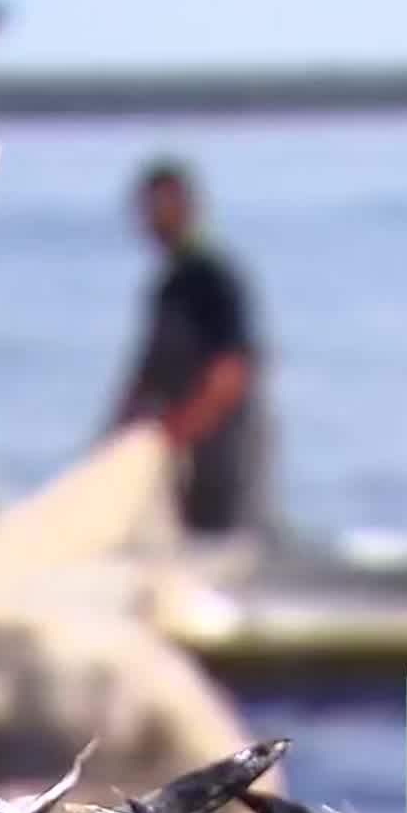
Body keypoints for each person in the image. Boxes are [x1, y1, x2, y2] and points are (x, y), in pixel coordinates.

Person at [109, 159, 273, 538]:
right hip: (181, 452)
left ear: (187, 208)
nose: (150, 219)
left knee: (217, 540)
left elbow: (230, 372)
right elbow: (146, 378)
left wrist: (173, 433)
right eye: (146, 209)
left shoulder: (210, 278)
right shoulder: (168, 285)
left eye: (159, 207)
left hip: (220, 452)